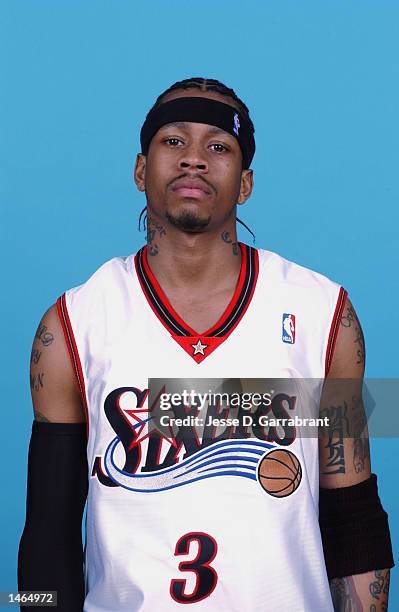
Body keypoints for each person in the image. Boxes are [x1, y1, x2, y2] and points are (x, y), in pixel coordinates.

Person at [18, 77, 394, 611]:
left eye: (218, 146)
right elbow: (46, 538)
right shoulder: (73, 323)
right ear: (140, 170)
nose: (194, 159)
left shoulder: (322, 311)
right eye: (173, 141)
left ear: (245, 184)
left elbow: (352, 511)